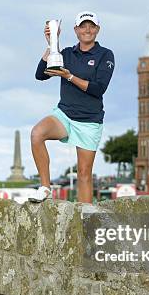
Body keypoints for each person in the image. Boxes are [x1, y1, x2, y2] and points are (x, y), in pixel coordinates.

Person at [30, 11, 115, 204]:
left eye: (91, 26)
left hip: (89, 120)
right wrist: (52, 44)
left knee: (84, 174)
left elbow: (98, 89)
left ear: (97, 30)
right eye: (83, 26)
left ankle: (86, 218)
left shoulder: (105, 55)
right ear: (76, 30)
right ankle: (45, 188)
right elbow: (40, 74)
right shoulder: (67, 53)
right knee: (37, 134)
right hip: (65, 115)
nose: (87, 30)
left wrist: (69, 76)